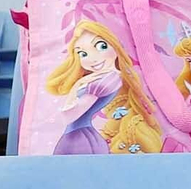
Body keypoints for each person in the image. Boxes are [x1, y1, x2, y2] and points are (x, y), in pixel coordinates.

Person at [46, 20, 163, 155]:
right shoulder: (100, 78)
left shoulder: (108, 80)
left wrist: (77, 85)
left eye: (101, 46)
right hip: (82, 136)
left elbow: (70, 115)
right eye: (83, 54)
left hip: (79, 138)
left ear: (114, 45)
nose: (93, 59)